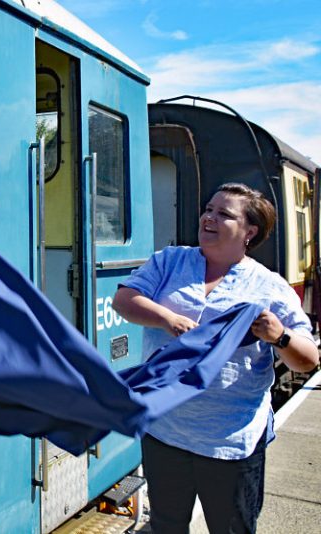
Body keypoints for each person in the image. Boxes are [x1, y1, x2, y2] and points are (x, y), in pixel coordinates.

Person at [113, 183, 319, 534]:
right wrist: (169, 319)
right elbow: (124, 300)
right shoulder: (170, 261)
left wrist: (279, 336)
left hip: (230, 441)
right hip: (165, 431)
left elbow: (308, 359)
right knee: (166, 525)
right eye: (209, 209)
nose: (209, 217)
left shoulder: (268, 286)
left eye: (224, 214)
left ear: (250, 231)